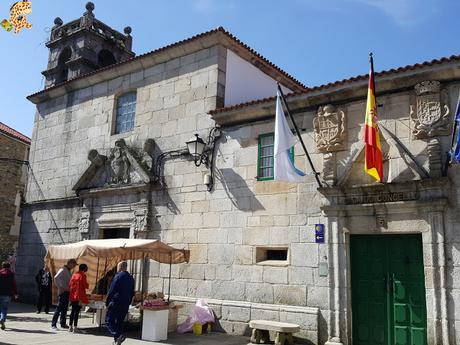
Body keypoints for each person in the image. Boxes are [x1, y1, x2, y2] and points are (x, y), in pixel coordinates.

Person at [106, 261, 135, 345]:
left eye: (118, 267)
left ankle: (118, 335)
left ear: (121, 267)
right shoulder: (131, 278)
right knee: (119, 322)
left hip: (116, 302)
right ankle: (117, 341)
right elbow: (132, 292)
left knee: (109, 320)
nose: (117, 269)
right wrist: (129, 302)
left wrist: (107, 302)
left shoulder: (118, 276)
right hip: (125, 304)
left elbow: (112, 291)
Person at [51, 258, 77, 330]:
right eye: (74, 265)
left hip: (67, 291)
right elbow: (56, 278)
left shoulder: (67, 270)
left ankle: (63, 323)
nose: (74, 266)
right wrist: (60, 287)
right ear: (70, 263)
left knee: (65, 309)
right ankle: (53, 324)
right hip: (63, 292)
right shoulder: (63, 269)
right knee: (59, 308)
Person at [68, 264, 89, 333]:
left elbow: (70, 284)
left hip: (73, 295)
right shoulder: (82, 275)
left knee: (72, 311)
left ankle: (70, 327)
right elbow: (85, 285)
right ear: (84, 269)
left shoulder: (74, 275)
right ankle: (75, 327)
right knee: (76, 312)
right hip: (79, 296)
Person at [0, 261, 18, 331]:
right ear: (9, 266)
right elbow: (14, 284)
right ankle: (2, 319)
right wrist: (16, 293)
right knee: (4, 308)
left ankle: (1, 319)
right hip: (7, 294)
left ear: (2, 266)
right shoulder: (11, 274)